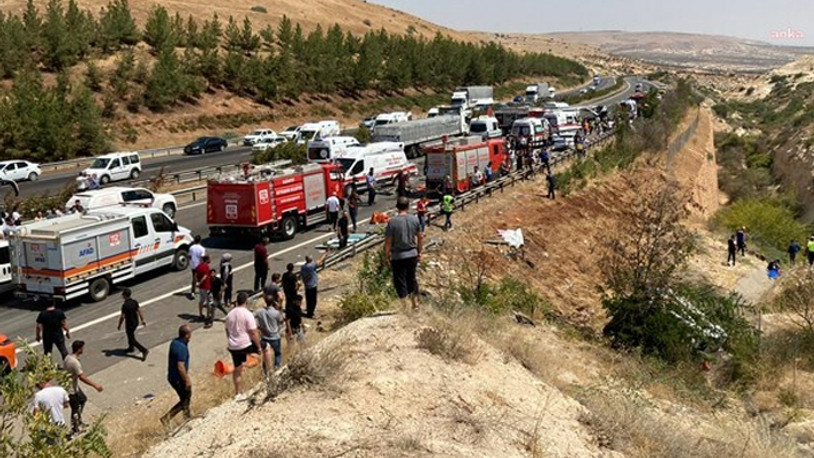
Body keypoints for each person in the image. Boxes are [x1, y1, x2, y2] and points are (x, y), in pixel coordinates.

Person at [384, 197, 423, 309]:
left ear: (397, 207)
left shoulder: (392, 222)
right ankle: (415, 304)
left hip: (398, 256)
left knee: (399, 280)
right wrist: (419, 251)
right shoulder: (414, 220)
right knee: (412, 278)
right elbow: (420, 237)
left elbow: (388, 242)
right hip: (412, 254)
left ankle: (404, 306)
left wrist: (386, 256)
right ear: (408, 206)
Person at [225, 292, 262, 397]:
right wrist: (258, 346)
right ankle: (265, 376)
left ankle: (238, 392)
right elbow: (253, 332)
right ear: (246, 301)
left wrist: (230, 341)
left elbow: (227, 330)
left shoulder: (229, 315)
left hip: (233, 345)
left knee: (237, 368)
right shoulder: (247, 314)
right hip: (245, 344)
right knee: (265, 349)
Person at [64, 340, 103, 436]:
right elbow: (82, 377)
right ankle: (75, 429)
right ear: (80, 349)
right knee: (75, 409)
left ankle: (79, 422)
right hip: (71, 389)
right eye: (82, 348)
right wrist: (95, 385)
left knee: (83, 399)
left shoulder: (68, 357)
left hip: (72, 385)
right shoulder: (75, 363)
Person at [161, 325, 192, 426]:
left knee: (186, 397)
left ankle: (187, 415)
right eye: (190, 334)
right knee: (185, 398)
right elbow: (180, 366)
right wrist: (186, 380)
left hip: (172, 377)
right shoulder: (181, 348)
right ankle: (167, 418)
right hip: (178, 378)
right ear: (187, 335)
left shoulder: (175, 342)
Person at [254, 293, 285, 373]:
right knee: (277, 354)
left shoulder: (260, 311)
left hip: (265, 337)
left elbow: (251, 317)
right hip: (275, 337)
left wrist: (259, 327)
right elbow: (281, 320)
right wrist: (280, 308)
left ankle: (266, 371)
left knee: (266, 355)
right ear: (274, 302)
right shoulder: (276, 313)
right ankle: (277, 370)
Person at [117, 288, 148, 360]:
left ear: (125, 295)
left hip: (129, 323)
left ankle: (144, 350)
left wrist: (119, 325)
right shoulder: (134, 302)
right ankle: (131, 348)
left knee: (132, 339)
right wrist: (142, 320)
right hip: (135, 322)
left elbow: (123, 316)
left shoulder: (125, 305)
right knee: (130, 335)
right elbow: (139, 311)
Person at [300, 253, 327, 318]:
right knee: (313, 300)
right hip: (312, 286)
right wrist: (324, 255)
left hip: (307, 285)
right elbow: (319, 261)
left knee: (308, 300)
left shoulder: (303, 267)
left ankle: (309, 311)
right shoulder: (311, 266)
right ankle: (310, 313)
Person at [194, 255, 212, 323]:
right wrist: (200, 282)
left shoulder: (199, 266)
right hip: (206, 286)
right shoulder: (206, 266)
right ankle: (208, 316)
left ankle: (200, 314)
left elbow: (195, 275)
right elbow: (205, 276)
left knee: (201, 300)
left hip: (201, 287)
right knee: (209, 301)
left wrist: (197, 283)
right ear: (207, 260)